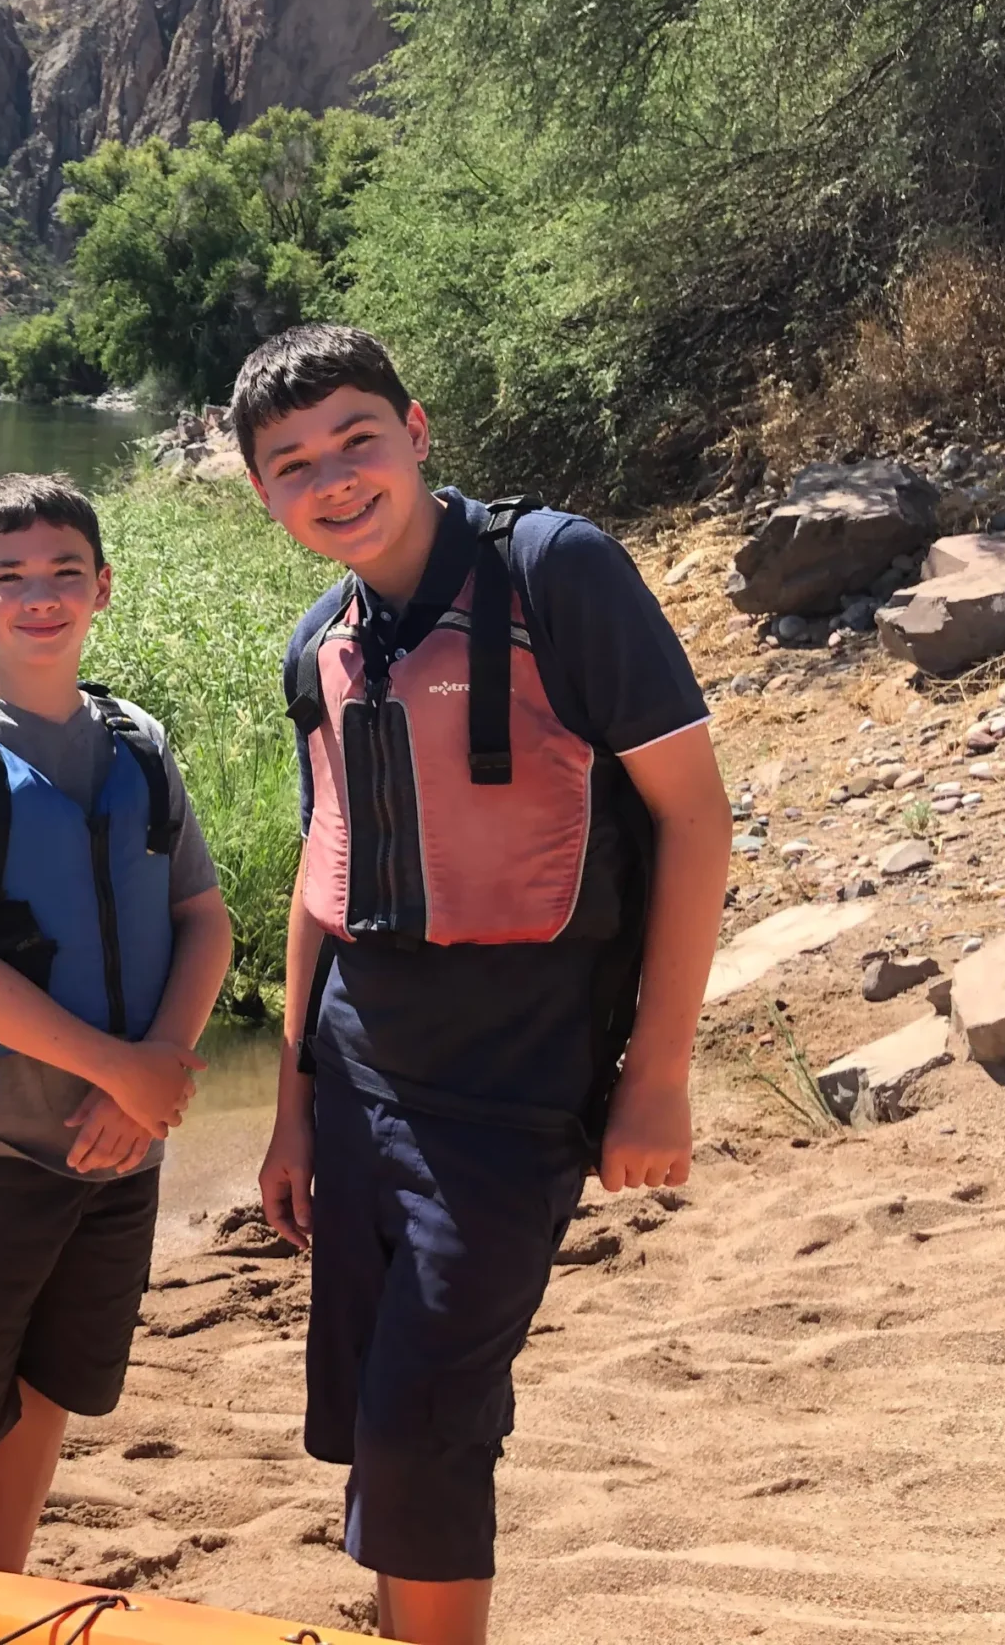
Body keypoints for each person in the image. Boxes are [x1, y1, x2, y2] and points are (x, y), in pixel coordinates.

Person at [236, 326, 732, 1645]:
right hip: (358, 1080)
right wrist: (289, 1106)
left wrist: (658, 1076)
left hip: (517, 1093)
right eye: (293, 464)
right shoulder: (319, 644)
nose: (334, 479)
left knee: (424, 1430)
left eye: (357, 440)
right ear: (262, 496)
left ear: (417, 428)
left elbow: (696, 820)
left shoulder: (553, 570)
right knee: (372, 1424)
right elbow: (322, 872)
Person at [0, 473, 235, 1573]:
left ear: (103, 590)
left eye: (63, 575)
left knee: (48, 1387)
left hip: (120, 1151)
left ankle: (3, 1587)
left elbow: (203, 921)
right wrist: (123, 1074)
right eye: (10, 577)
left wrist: (155, 1071)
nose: (40, 596)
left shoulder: (138, 742)